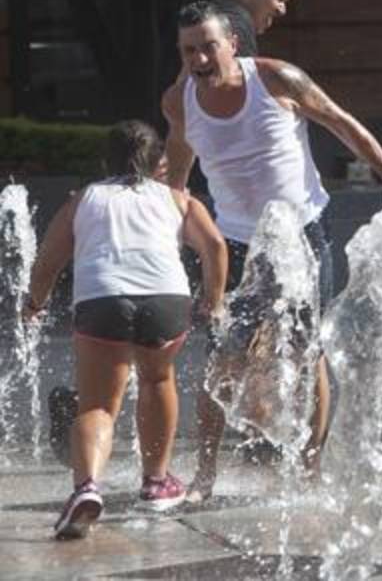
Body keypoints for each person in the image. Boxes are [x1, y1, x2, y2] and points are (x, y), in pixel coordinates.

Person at [46, 0, 299, 464]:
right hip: (216, 220)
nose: (280, 9)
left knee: (138, 334)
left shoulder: (203, 27)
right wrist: (178, 193)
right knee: (216, 340)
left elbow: (188, 108)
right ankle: (247, 443)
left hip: (180, 200)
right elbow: (189, 111)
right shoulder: (223, 34)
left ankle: (95, 427)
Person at [162, 0, 382, 501]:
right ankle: (205, 475)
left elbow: (342, 123)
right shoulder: (179, 102)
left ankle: (308, 469)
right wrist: (167, 225)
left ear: (232, 44)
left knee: (307, 350)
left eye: (208, 47)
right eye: (188, 51)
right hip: (233, 244)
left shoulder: (276, 79)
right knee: (223, 358)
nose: (199, 60)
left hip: (302, 232)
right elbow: (177, 172)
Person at [23, 120, 228, 539]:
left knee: (99, 406)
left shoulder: (84, 199)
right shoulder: (178, 200)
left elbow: (49, 258)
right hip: (166, 300)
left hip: (103, 300)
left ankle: (86, 488)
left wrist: (35, 302)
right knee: (157, 378)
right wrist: (214, 298)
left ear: (105, 162)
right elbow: (215, 246)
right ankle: (156, 482)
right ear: (158, 163)